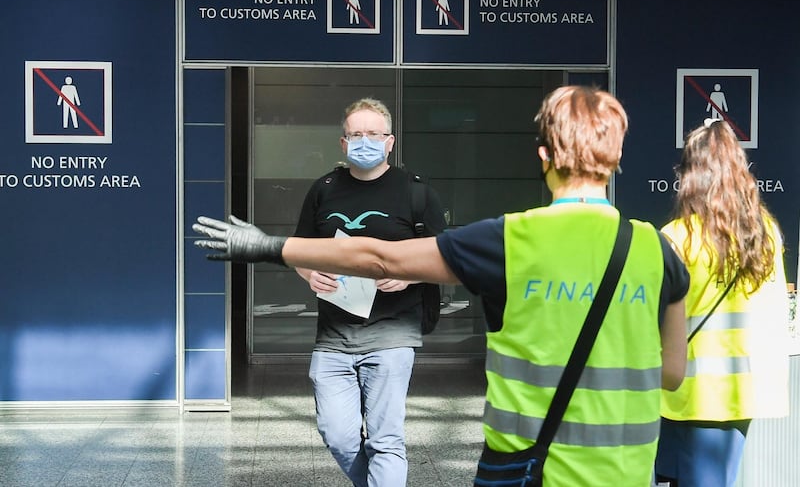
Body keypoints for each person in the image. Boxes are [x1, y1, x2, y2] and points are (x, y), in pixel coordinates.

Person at [194, 85, 690, 486]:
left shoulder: (510, 238)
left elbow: (380, 257)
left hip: (529, 467)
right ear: (618, 154)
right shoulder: (658, 250)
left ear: (544, 154)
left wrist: (266, 245)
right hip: (628, 471)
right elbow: (671, 373)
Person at [295, 97, 446, 487]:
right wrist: (310, 274)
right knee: (338, 435)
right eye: (356, 134)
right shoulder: (323, 189)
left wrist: (410, 275)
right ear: (343, 143)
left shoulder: (416, 193)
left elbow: (445, 257)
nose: (365, 141)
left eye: (373, 134)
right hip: (333, 335)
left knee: (386, 438)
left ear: (389, 141)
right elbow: (299, 249)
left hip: (393, 332)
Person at [654, 119, 791, 487]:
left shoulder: (675, 237)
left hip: (686, 393)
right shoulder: (764, 233)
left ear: (691, 175)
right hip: (741, 393)